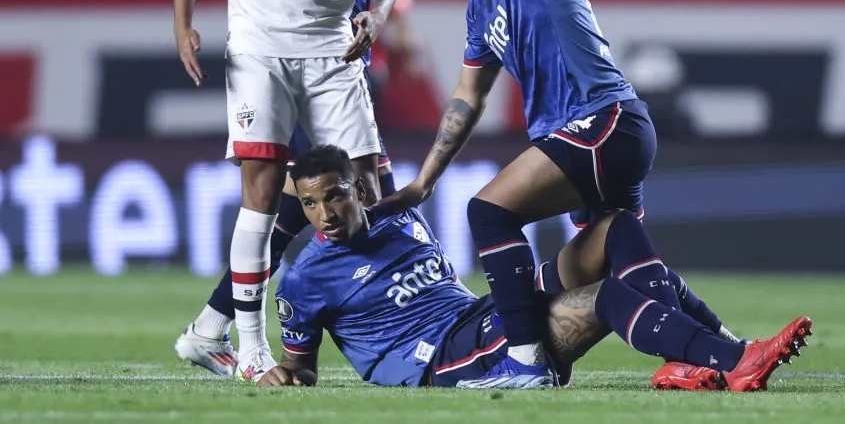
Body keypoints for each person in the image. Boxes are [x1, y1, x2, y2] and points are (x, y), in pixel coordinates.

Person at [328, 0, 679, 387]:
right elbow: (467, 99)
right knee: (623, 255)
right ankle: (726, 350)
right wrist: (422, 182)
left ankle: (524, 358)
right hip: (584, 131)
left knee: (490, 213)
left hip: (596, 119)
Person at [174, 0, 470, 380]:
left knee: (295, 212)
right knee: (366, 194)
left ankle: (209, 329)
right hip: (288, 58)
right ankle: (423, 312)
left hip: (333, 61)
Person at [256, 145, 812, 391]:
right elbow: (303, 367)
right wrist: (287, 373)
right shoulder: (304, 276)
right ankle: (734, 360)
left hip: (482, 317)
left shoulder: (400, 220)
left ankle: (704, 353)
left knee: (615, 228)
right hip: (448, 359)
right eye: (310, 204)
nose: (324, 214)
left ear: (357, 188)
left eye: (334, 196)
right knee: (608, 297)